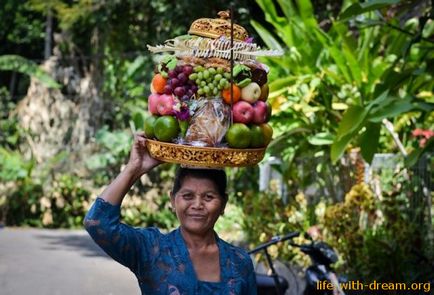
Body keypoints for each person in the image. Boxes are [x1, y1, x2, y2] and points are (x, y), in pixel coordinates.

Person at [84, 132, 257, 294]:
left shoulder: (240, 261)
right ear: (173, 200)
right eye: (187, 196)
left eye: (208, 197)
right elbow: (97, 222)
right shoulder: (151, 250)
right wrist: (134, 168)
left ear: (223, 204)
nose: (197, 205)